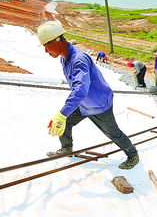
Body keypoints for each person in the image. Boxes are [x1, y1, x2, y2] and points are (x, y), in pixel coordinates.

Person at [37, 21, 140, 170]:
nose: (46, 51)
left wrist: (62, 113)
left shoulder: (78, 59)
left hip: (98, 104)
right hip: (83, 103)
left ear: (57, 41)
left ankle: (133, 155)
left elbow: (80, 90)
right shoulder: (64, 57)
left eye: (47, 46)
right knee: (64, 122)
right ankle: (67, 147)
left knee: (113, 133)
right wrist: (63, 115)